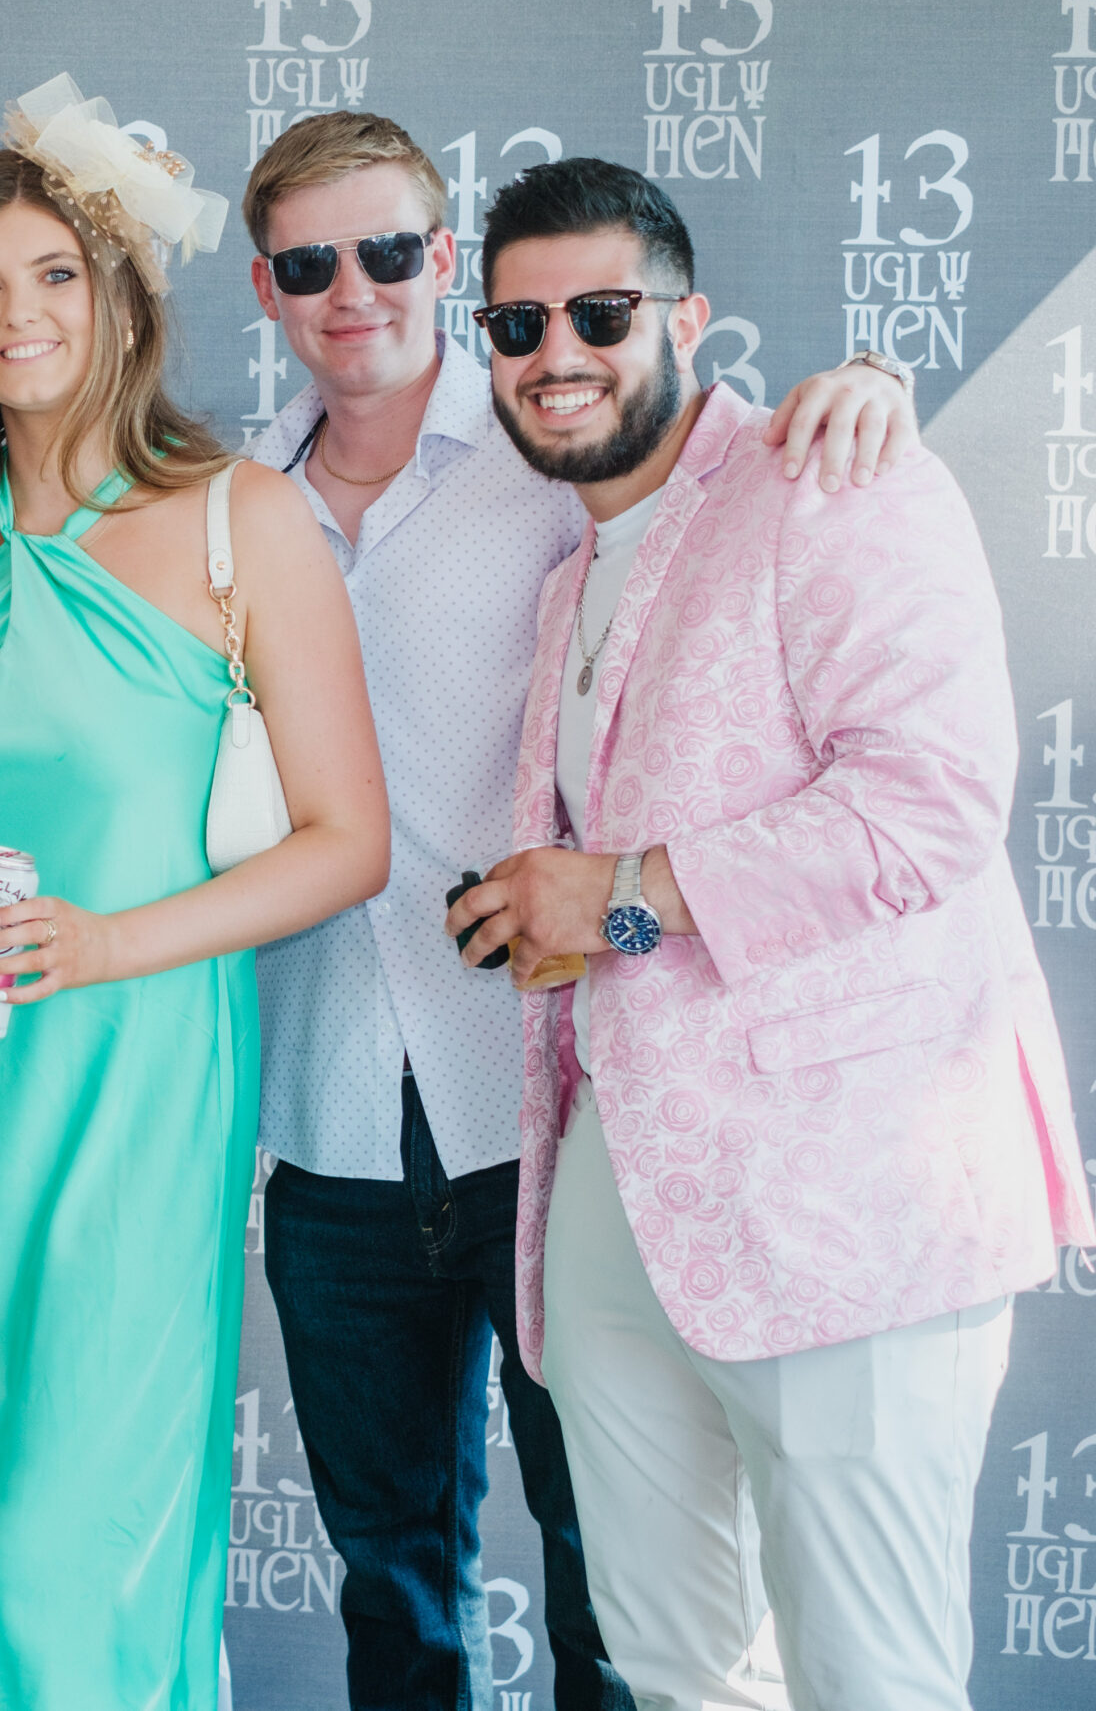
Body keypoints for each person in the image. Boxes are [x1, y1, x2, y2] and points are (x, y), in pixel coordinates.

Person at [239, 113, 920, 1711]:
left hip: (553, 1101)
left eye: (389, 251)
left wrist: (871, 378)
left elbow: (733, 476)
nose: (353, 291)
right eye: (309, 263)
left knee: (614, 1573)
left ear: (444, 264)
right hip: (326, 1111)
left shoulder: (559, 447)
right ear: (264, 289)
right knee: (389, 1578)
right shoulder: (225, 501)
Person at [447, 158, 1095, 1711]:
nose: (557, 352)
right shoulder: (570, 571)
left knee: (873, 1681)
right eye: (519, 323)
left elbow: (929, 803)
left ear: (688, 321)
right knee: (681, 1673)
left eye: (602, 312)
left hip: (850, 1197)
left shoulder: (834, 475)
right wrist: (570, 912)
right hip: (617, 1190)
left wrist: (618, 889)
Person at [0, 76, 391, 1709]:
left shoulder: (239, 517)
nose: (18, 315)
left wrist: (108, 945)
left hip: (129, 1080)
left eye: (55, 275)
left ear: (123, 298)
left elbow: (344, 841)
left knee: (58, 1554)